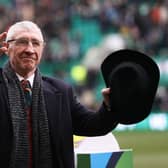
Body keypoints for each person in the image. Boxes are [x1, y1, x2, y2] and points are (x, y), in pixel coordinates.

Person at [0, 20, 118, 168]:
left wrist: (110, 106)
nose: (30, 49)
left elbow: (94, 125)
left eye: (36, 43)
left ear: (42, 49)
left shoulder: (61, 91)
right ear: (7, 47)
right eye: (22, 42)